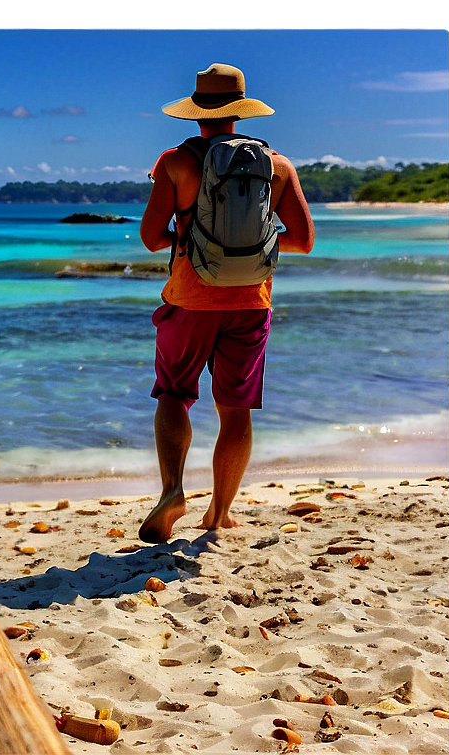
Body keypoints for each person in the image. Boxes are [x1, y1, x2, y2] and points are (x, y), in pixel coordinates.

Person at [138, 63, 314, 543]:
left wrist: (189, 237)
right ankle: (219, 514)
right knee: (235, 409)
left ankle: (173, 489)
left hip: (190, 299)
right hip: (251, 302)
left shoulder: (175, 162)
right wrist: (255, 246)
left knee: (174, 394)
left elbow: (151, 239)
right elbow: (303, 240)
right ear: (240, 112)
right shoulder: (277, 165)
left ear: (196, 112)